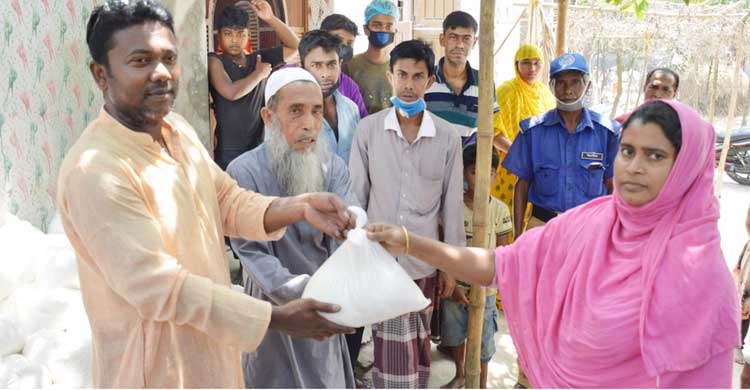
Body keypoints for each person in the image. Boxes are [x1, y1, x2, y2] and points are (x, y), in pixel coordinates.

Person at [58, 2, 355, 387]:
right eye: (141, 60)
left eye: (169, 58)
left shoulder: (176, 130)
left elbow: (227, 200)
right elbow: (160, 288)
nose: (161, 73)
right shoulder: (96, 171)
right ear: (101, 74)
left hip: (211, 355)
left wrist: (298, 207)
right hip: (154, 369)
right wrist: (275, 318)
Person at [367, 100, 740, 388]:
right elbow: (498, 266)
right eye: (627, 151)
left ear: (686, 166)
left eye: (655, 156)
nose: (634, 167)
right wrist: (412, 243)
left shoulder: (701, 274)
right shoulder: (588, 224)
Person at [227, 68, 357, 388]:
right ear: (269, 117)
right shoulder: (244, 171)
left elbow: (350, 224)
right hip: (273, 311)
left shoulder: (332, 166)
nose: (309, 124)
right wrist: (305, 294)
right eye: (296, 111)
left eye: (315, 111)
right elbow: (252, 254)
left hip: (323, 306)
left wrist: (355, 227)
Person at [349, 39, 465, 389]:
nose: (409, 84)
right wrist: (355, 256)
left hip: (423, 261)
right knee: (392, 349)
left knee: (418, 340)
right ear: (390, 76)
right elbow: (357, 197)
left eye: (418, 76)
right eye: (402, 75)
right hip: (381, 261)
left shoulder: (447, 138)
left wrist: (451, 267)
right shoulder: (368, 130)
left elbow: (452, 207)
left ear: (431, 81)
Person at [503, 53, 620, 240]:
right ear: (552, 86)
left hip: (590, 231)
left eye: (575, 82)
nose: (568, 90)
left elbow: (611, 186)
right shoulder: (532, 132)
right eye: (560, 83)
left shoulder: (607, 133)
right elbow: (522, 185)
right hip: (542, 228)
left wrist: (611, 234)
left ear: (587, 85)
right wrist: (518, 237)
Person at [440, 143, 510, 389]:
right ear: (463, 173)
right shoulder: (454, 208)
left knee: (483, 342)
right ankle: (460, 373)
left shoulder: (500, 210)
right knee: (455, 334)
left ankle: (481, 382)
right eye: (473, 171)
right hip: (457, 287)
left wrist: (486, 286)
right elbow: (445, 248)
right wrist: (452, 282)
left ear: (496, 174)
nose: (482, 178)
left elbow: (502, 253)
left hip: (486, 290)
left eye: (489, 173)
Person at [208, 1, 299, 169]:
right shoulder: (215, 60)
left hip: (258, 150)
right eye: (228, 34)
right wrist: (259, 74)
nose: (235, 40)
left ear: (248, 34)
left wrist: (271, 18)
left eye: (240, 33)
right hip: (227, 153)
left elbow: (294, 47)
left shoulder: (258, 59)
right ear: (219, 35)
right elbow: (231, 92)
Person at [491, 44, 556, 211]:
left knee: (533, 220)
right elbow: (495, 134)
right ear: (516, 64)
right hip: (508, 166)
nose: (532, 68)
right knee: (505, 217)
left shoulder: (545, 94)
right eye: (526, 62)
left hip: (539, 169)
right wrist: (522, 156)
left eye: (537, 63)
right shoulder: (505, 92)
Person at [424, 11, 501, 138]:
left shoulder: (484, 83)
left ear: (474, 42)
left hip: (469, 157)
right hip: (431, 157)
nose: (459, 45)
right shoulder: (425, 79)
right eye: (453, 37)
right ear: (442, 40)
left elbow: (492, 128)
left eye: (466, 38)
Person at [298, 30, 361, 163]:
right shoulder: (290, 115)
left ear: (340, 65)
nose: (325, 74)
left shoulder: (351, 109)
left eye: (332, 64)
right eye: (316, 65)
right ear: (302, 67)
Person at [343, 0, 399, 115]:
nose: (383, 30)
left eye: (389, 26)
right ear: (366, 29)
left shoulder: (399, 68)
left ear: (395, 31)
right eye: (377, 25)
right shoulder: (349, 65)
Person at [320, 13, 369, 119]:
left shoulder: (350, 86)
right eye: (337, 39)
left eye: (350, 42)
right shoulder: (298, 72)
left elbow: (363, 122)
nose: (343, 46)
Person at [615, 67, 679, 124]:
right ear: (644, 87)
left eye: (665, 90)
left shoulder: (679, 130)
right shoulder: (621, 123)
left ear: (674, 95)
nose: (657, 95)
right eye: (654, 87)